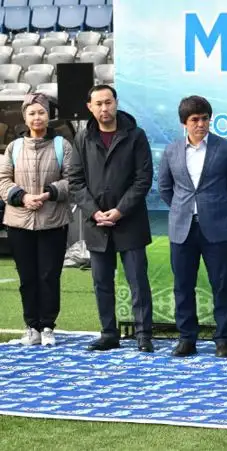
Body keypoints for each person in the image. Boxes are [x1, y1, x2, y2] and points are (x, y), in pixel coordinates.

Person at [158, 95, 227, 358]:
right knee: (183, 285)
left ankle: (223, 339)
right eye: (195, 119)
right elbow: (165, 187)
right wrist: (182, 209)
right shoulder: (172, 150)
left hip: (217, 227)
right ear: (184, 123)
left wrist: (219, 208)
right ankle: (187, 338)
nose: (201, 124)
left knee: (221, 284)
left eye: (205, 118)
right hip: (182, 228)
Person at [69, 85, 155, 353]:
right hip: (97, 224)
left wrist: (120, 210)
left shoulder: (136, 135)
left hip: (130, 221)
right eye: (98, 104)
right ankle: (108, 333)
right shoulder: (82, 138)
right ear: (90, 107)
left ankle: (143, 335)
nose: (104, 108)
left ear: (116, 102)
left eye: (108, 102)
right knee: (101, 283)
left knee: (138, 281)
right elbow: (75, 181)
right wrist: (94, 212)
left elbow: (143, 179)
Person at [0, 94, 72, 346]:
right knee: (27, 277)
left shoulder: (62, 145)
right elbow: (3, 180)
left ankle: (48, 326)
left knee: (49, 276)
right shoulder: (14, 147)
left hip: (53, 221)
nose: (37, 117)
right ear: (25, 117)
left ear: (49, 115)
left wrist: (49, 193)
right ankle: (31, 326)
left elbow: (73, 179)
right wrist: (22, 197)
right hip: (19, 222)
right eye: (31, 113)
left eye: (41, 112)